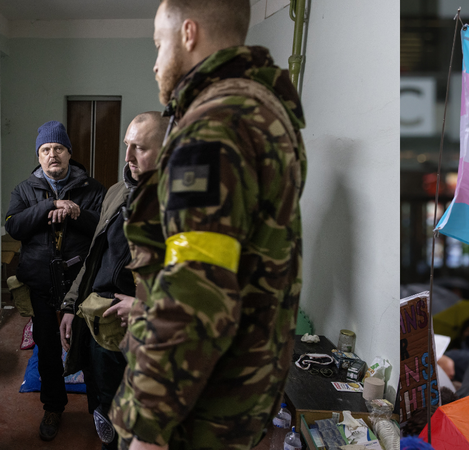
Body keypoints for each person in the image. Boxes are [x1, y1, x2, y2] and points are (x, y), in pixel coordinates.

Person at [109, 0, 306, 449]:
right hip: (238, 395)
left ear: (189, 34)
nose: (156, 62)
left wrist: (147, 425)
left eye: (159, 44)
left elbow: (196, 284)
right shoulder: (265, 109)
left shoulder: (212, 126)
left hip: (198, 409)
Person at [58, 113, 168, 450]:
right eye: (126, 146)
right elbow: (95, 256)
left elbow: (199, 282)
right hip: (100, 322)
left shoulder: (179, 203)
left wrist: (143, 306)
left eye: (140, 148)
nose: (128, 157)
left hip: (150, 332)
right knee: (104, 408)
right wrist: (71, 306)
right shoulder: (116, 192)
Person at [5, 120, 105, 441]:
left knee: (88, 347)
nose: (52, 155)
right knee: (47, 348)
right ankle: (53, 407)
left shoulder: (92, 188)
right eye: (46, 150)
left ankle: (100, 410)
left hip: (81, 285)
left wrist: (77, 211)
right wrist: (51, 205)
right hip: (41, 283)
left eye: (58, 148)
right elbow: (14, 227)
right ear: (39, 155)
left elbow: (104, 229)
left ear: (69, 153)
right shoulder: (24, 190)